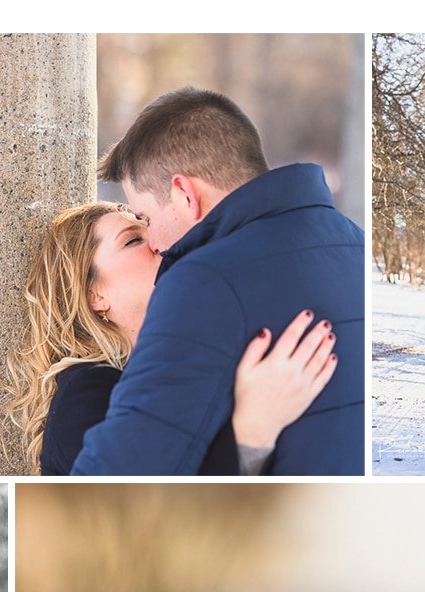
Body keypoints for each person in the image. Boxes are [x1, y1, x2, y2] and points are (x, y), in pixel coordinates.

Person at [64, 86, 364, 476]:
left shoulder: (204, 281)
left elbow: (111, 484)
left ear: (184, 193)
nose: (155, 244)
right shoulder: (354, 244)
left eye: (147, 220)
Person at [5, 201, 338, 475]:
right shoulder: (86, 395)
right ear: (94, 294)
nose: (156, 241)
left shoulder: (179, 366)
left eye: (149, 226)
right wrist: (254, 429)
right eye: (133, 240)